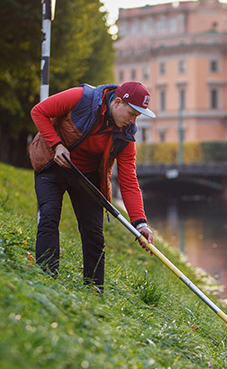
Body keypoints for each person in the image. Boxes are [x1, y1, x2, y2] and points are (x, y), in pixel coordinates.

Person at [28, 81, 156, 289]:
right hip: (53, 162)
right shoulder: (81, 97)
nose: (133, 121)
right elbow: (39, 111)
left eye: (137, 116)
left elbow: (129, 180)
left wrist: (140, 223)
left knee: (94, 233)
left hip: (86, 176)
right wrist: (56, 144)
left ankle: (94, 292)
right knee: (49, 216)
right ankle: (46, 281)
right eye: (132, 113)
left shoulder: (126, 135)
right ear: (117, 102)